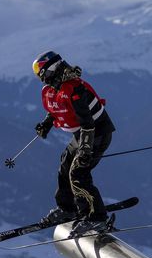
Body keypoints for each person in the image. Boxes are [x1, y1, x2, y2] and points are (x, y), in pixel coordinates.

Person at [32, 50, 116, 235]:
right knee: (65, 163)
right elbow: (57, 108)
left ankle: (96, 217)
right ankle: (67, 208)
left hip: (97, 133)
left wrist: (86, 149)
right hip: (81, 135)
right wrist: (46, 124)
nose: (40, 76)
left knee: (78, 172)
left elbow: (87, 122)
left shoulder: (75, 88)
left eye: (40, 70)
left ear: (52, 68)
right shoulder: (54, 88)